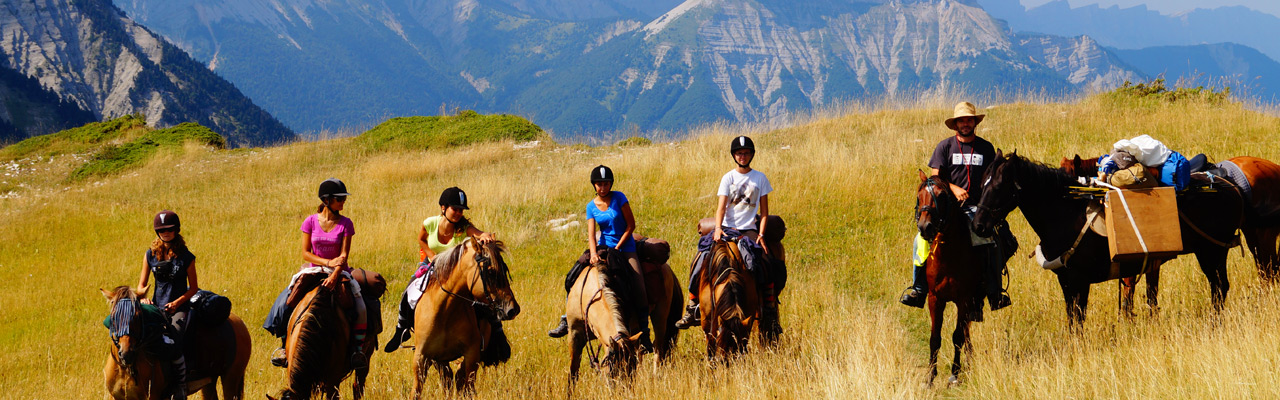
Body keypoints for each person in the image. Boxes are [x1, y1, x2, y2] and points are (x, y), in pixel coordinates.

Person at [899, 101, 1014, 311]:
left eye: (969, 119)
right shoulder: (945, 147)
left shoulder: (986, 148)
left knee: (993, 242)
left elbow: (992, 178)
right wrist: (954, 189)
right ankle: (918, 289)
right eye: (962, 120)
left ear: (974, 122)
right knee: (919, 242)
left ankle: (995, 291)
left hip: (976, 208)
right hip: (947, 210)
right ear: (956, 124)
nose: (966, 123)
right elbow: (935, 179)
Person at [674, 136, 782, 336]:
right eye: (740, 153)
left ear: (752, 155)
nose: (743, 156)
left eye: (746, 153)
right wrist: (717, 228)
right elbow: (721, 207)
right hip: (726, 228)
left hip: (748, 230)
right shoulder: (728, 178)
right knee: (701, 259)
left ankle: (770, 310)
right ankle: (692, 305)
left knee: (764, 262)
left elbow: (764, 212)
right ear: (734, 155)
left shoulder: (760, 178)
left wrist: (760, 234)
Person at [264, 178, 369, 369]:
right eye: (339, 199)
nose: (343, 202)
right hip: (314, 268)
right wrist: (327, 262)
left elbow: (344, 255)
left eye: (344, 199)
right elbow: (305, 253)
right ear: (327, 200)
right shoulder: (310, 221)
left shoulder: (346, 223)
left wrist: (335, 273)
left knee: (360, 307)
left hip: (339, 271)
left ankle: (357, 350)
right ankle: (284, 347)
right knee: (287, 302)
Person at [547, 165, 650, 349]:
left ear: (611, 184)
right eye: (599, 184)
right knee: (573, 276)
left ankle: (644, 332)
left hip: (625, 248)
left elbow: (630, 225)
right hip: (603, 248)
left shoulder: (619, 198)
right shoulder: (590, 207)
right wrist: (593, 254)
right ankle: (567, 318)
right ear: (594, 185)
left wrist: (619, 247)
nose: (603, 187)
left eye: (606, 183)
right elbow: (591, 233)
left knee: (638, 283)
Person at [383, 187, 496, 352]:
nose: (458, 213)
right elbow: (421, 240)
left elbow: (478, 233)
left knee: (482, 294)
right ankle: (402, 329)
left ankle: (493, 331)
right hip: (431, 265)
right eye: (455, 209)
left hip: (454, 270)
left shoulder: (463, 227)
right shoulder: (430, 223)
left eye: (461, 210)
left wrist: (484, 235)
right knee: (409, 290)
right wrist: (431, 256)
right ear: (443, 207)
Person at [136, 210, 197, 400]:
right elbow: (141, 285)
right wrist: (143, 298)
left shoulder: (187, 257)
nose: (166, 233)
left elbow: (193, 288)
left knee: (174, 340)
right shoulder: (150, 255)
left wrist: (177, 303)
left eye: (169, 229)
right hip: (156, 307)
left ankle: (180, 386)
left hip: (179, 309)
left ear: (176, 230)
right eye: (162, 230)